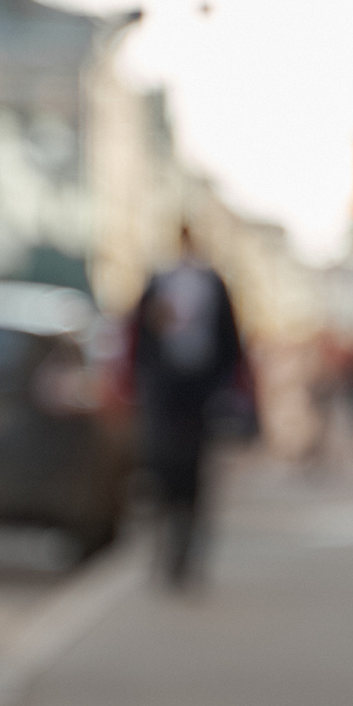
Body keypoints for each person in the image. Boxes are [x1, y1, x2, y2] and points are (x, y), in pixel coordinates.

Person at [127, 224, 245, 590]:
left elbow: (230, 343)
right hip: (167, 395)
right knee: (163, 476)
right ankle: (167, 554)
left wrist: (222, 388)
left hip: (198, 396)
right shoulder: (159, 283)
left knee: (192, 479)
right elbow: (139, 337)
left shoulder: (210, 285)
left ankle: (186, 555)